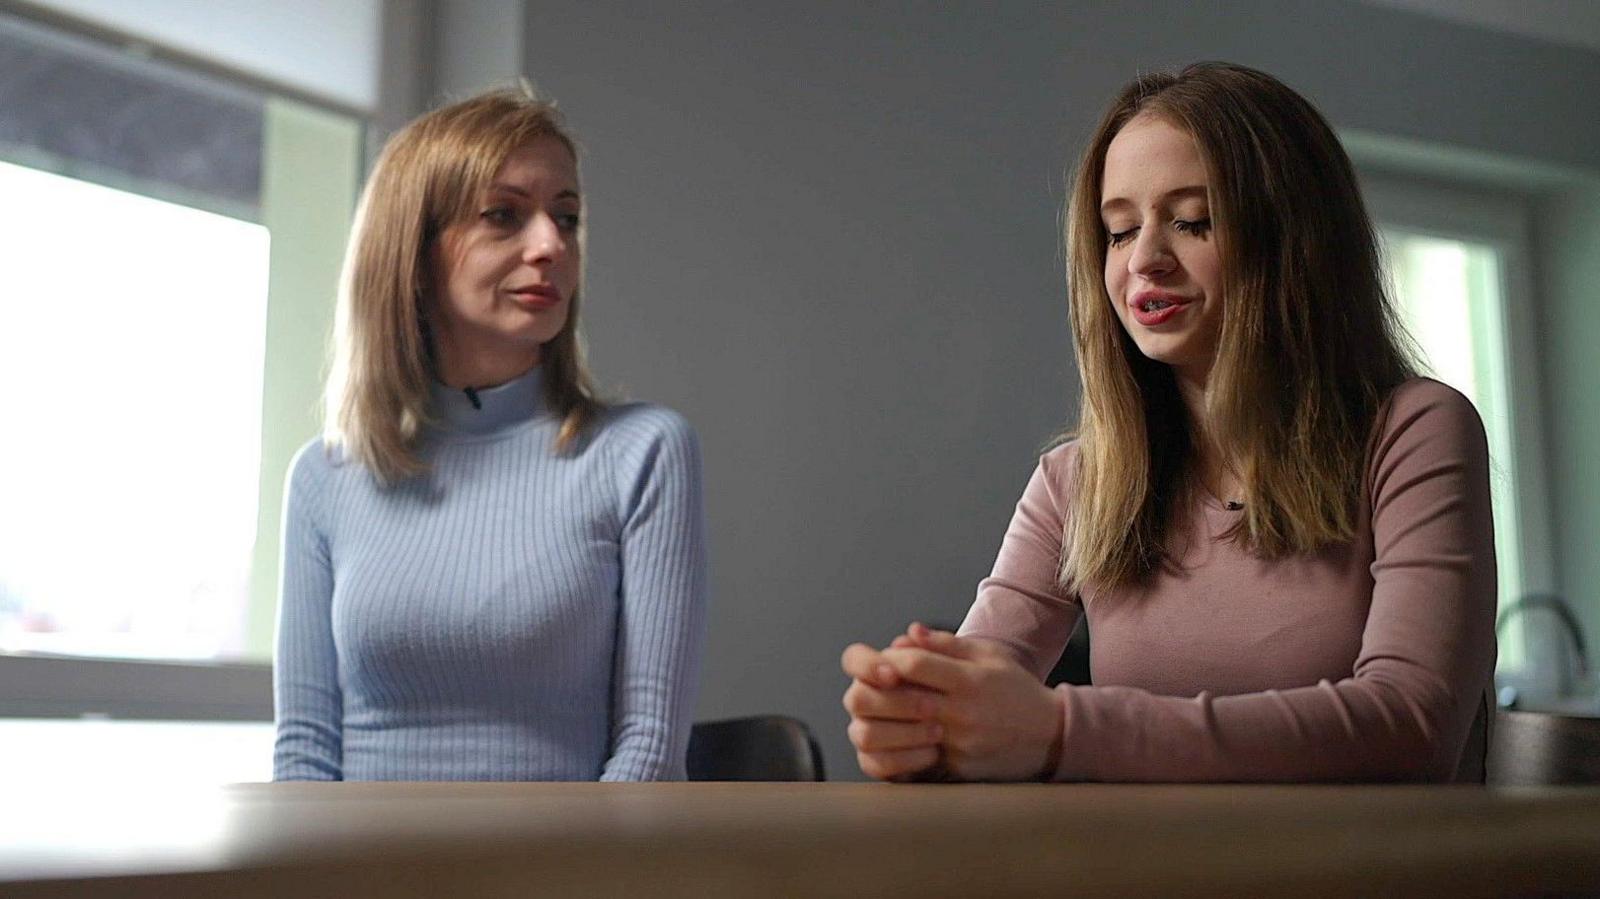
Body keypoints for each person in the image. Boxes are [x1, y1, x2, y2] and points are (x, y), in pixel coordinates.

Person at [841, 62, 1497, 783]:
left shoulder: (1415, 430)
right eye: (1119, 231)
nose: (1144, 260)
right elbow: (976, 706)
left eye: (1192, 221)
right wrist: (925, 723)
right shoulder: (1075, 481)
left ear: (1293, 242)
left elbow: (1412, 724)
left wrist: (1063, 729)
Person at [273, 88, 708, 782]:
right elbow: (303, 754)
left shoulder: (643, 453)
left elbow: (649, 750)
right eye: (504, 216)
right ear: (412, 253)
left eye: (566, 216)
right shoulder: (323, 478)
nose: (552, 245)